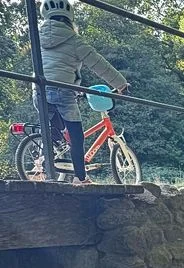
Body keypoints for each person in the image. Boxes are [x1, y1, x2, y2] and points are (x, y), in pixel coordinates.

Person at [35, 0, 128, 185]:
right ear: (70, 18)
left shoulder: (36, 37)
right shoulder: (73, 40)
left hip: (38, 89)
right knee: (76, 135)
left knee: (54, 131)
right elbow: (98, 63)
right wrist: (121, 84)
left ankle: (44, 166)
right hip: (63, 91)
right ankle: (80, 178)